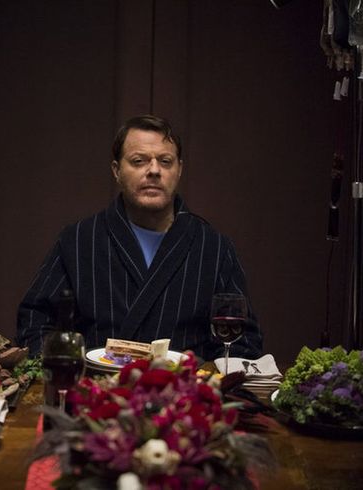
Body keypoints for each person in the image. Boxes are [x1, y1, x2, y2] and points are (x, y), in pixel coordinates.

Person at [16, 115, 261, 361]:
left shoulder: (215, 248)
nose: (154, 170)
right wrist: (67, 377)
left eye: (165, 161)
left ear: (179, 170)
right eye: (139, 161)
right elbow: (34, 324)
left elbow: (243, 343)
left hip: (185, 394)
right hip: (95, 392)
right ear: (116, 170)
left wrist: (207, 385)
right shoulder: (78, 241)